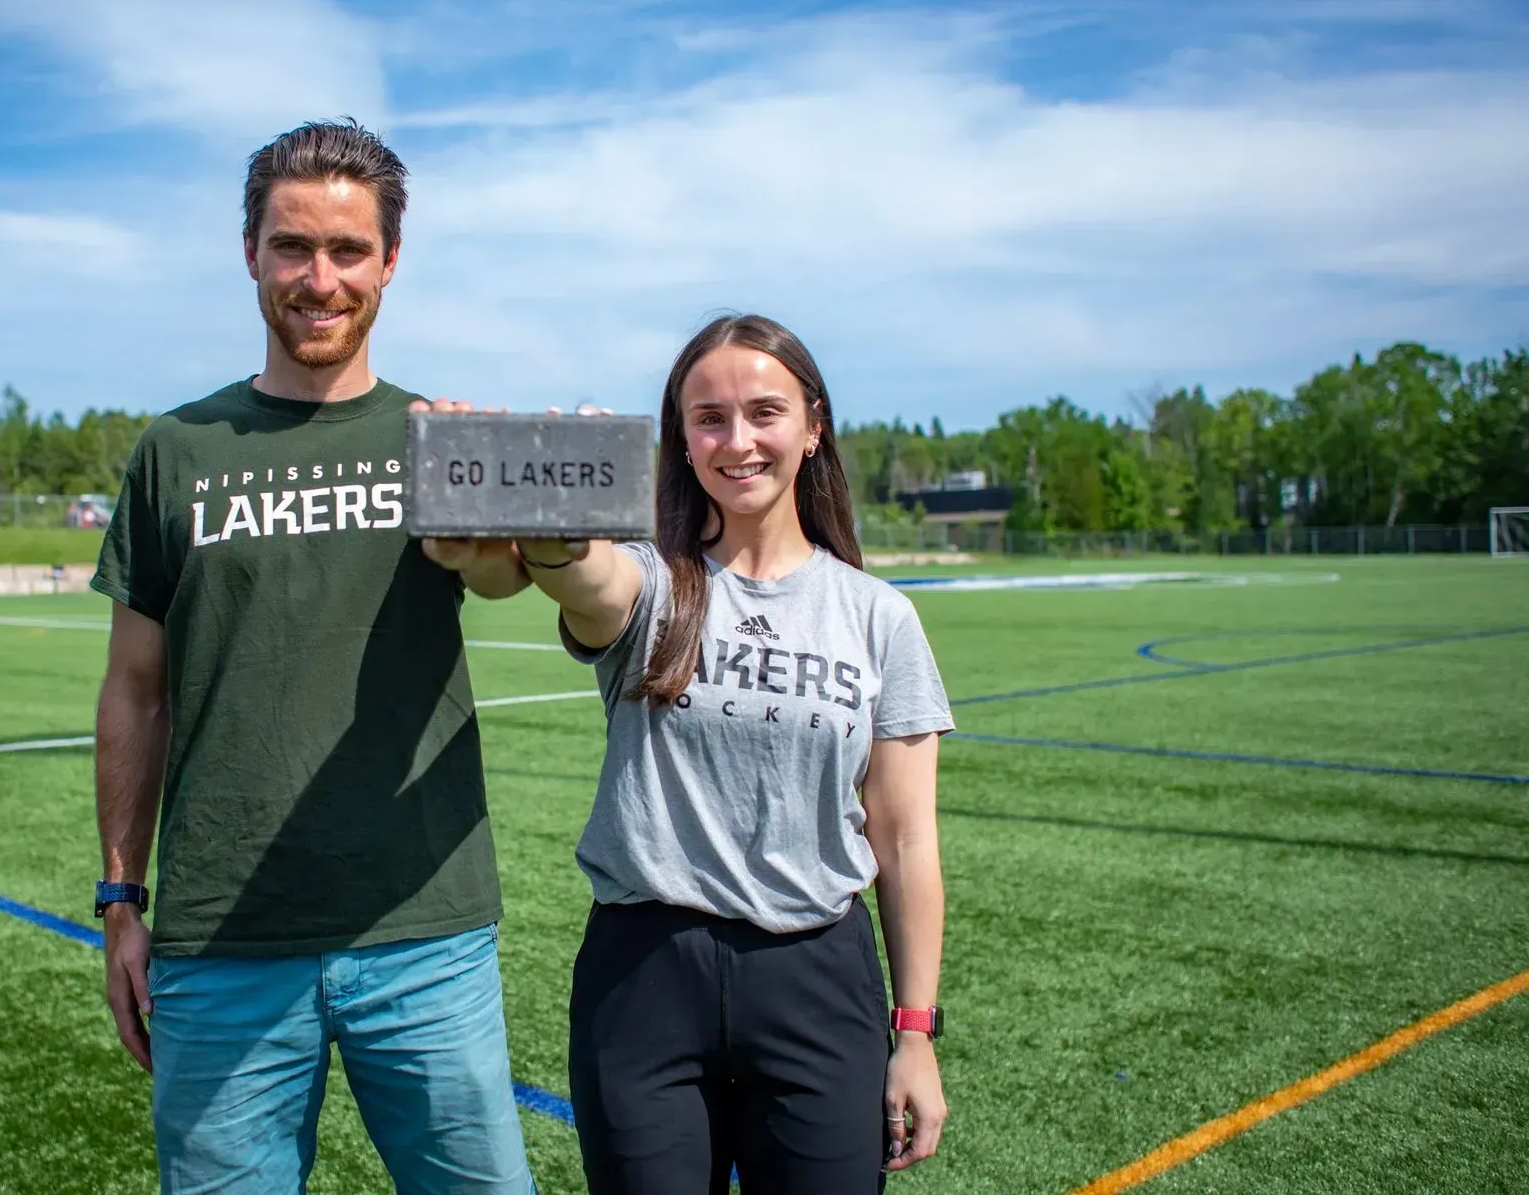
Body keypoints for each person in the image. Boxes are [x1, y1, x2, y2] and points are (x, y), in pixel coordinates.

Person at [91, 120, 537, 1195]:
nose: (320, 278)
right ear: (250, 251)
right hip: (220, 942)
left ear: (390, 260)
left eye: (348, 251)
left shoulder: (441, 438)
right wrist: (120, 896)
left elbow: (505, 579)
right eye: (293, 246)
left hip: (424, 932)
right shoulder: (177, 450)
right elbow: (133, 690)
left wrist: (487, 523)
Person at [517, 315, 954, 1194]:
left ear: (813, 425)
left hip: (817, 979)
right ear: (681, 438)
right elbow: (589, 581)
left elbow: (905, 844)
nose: (738, 440)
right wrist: (559, 528)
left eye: (765, 412)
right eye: (709, 417)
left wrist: (914, 1033)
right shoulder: (653, 584)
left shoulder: (879, 617)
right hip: (642, 977)